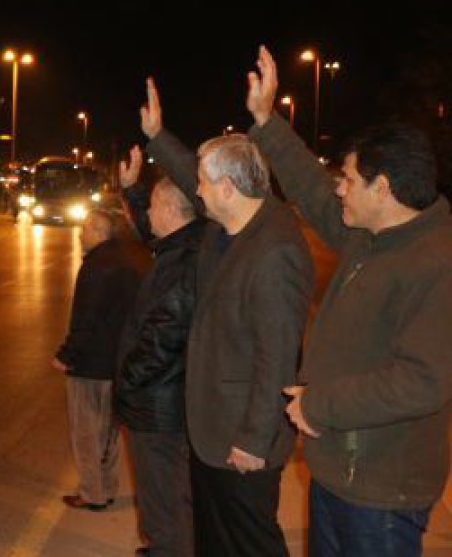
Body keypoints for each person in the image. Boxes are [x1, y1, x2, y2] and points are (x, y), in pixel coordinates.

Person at [243, 46, 452, 556]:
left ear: (384, 188)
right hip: (338, 470)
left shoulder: (437, 263)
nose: (340, 190)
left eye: (351, 181)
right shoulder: (371, 235)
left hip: (382, 492)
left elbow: (423, 382)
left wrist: (319, 404)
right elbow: (313, 191)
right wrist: (267, 122)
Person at [140, 78, 312, 557]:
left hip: (241, 443)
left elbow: (276, 356)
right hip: (213, 431)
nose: (195, 191)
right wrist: (158, 136)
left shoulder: (274, 251)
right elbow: (195, 183)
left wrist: (255, 441)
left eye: (202, 183)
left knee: (249, 544)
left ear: (229, 188)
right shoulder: (229, 222)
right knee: (216, 543)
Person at [116, 146, 202, 557]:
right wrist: (133, 190)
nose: (148, 214)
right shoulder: (180, 245)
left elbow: (162, 337)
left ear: (169, 208)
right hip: (163, 400)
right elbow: (148, 233)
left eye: (151, 205)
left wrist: (126, 382)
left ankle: (168, 549)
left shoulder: (184, 261)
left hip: (159, 405)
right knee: (164, 494)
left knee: (163, 495)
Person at [53, 208, 151, 511]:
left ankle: (91, 493)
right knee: (109, 432)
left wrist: (67, 355)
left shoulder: (96, 265)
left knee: (86, 431)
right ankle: (106, 488)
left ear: (99, 231)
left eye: (85, 228)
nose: (81, 233)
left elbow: (86, 317)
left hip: (91, 364)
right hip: (117, 362)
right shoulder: (129, 260)